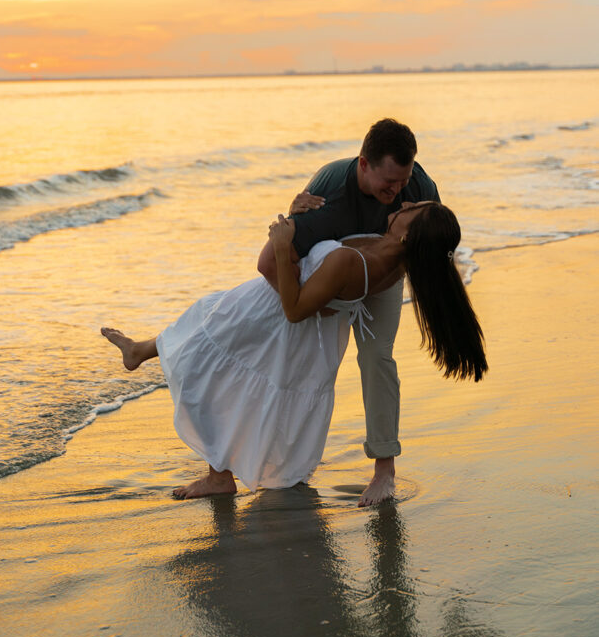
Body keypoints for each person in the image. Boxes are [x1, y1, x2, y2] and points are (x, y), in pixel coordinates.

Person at [101, 201, 486, 502]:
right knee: (201, 338)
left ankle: (219, 477)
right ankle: (140, 353)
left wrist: (283, 246)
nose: (401, 207)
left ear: (408, 237)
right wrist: (301, 210)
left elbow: (295, 308)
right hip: (286, 328)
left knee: (200, 366)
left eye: (410, 211)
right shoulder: (395, 260)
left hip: (267, 315)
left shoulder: (356, 260)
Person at [257, 117, 439, 507]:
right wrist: (314, 304)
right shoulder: (329, 195)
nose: (396, 190)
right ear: (363, 165)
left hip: (386, 275)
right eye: (387, 182)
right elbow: (275, 257)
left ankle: (384, 469)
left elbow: (437, 246)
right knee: (305, 362)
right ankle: (282, 463)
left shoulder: (418, 187)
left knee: (377, 356)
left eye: (402, 181)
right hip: (336, 277)